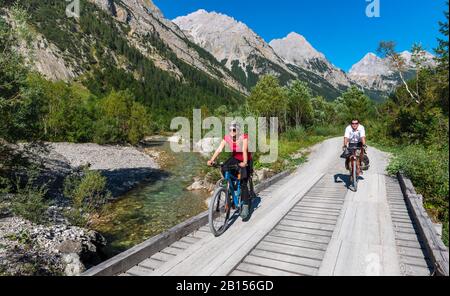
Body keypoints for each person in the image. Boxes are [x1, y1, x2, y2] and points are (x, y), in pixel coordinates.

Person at [207, 121, 253, 219]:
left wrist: (244, 162)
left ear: (238, 130)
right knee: (224, 167)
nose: (232, 131)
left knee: (244, 181)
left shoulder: (244, 137)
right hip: (235, 158)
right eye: (230, 130)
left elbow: (244, 150)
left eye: (234, 130)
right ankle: (231, 186)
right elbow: (219, 149)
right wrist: (212, 159)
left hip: (246, 159)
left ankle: (245, 205)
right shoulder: (227, 137)